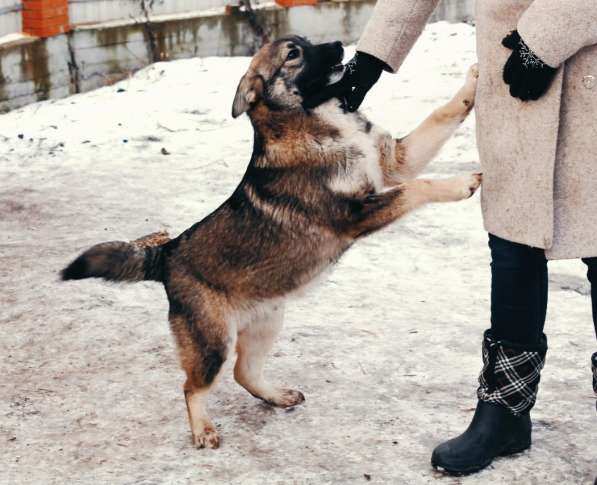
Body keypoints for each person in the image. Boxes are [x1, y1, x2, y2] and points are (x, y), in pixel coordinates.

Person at [303, 0, 597, 476]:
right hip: (515, 80)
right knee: (513, 244)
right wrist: (372, 59)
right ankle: (504, 411)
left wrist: (542, 39)